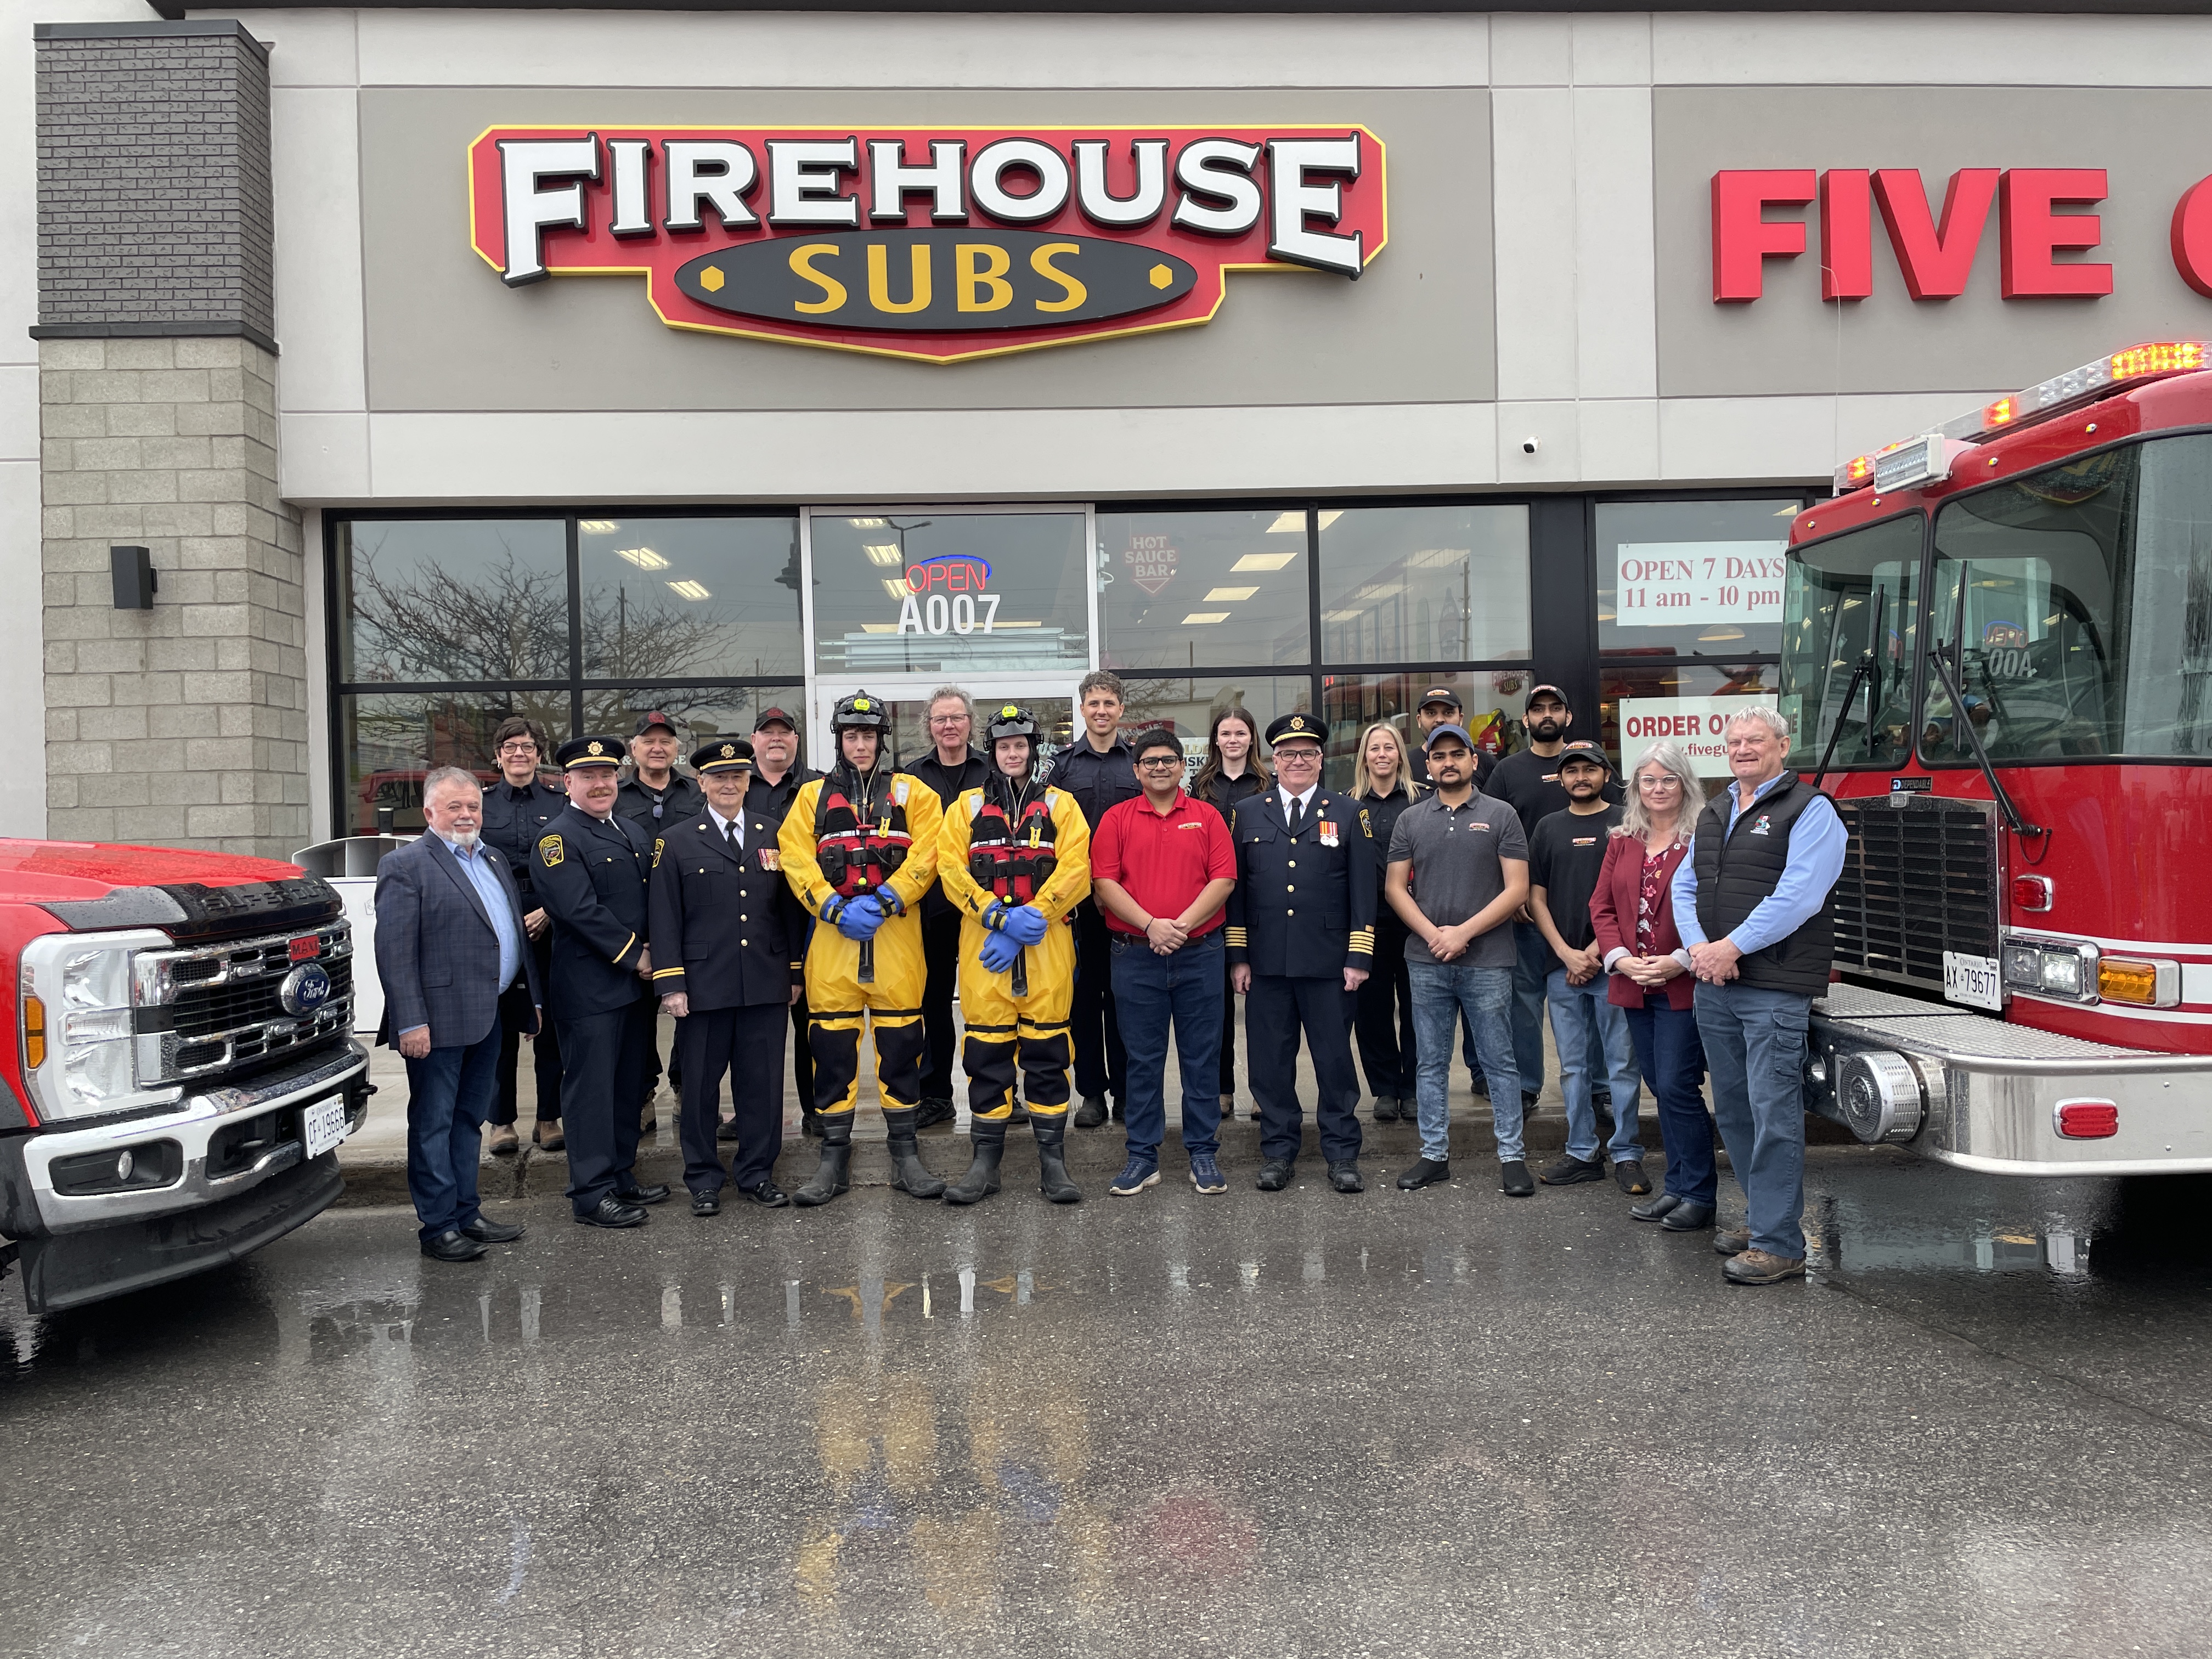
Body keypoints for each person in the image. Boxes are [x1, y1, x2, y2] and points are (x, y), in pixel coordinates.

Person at [1671, 706, 1848, 1285]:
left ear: (1782, 745)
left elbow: (1800, 896)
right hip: (1716, 983)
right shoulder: (1718, 810)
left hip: (1772, 985)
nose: (1743, 748)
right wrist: (1702, 950)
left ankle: (1780, 1244)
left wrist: (1733, 948)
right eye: (1734, 741)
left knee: (1775, 1113)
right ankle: (1764, 1216)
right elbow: (1685, 886)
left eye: (1755, 740)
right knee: (1738, 1108)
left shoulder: (1812, 810)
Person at [777, 691, 946, 1206]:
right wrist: (832, 906)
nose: (860, 744)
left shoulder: (913, 792)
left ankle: (905, 1155)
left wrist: (891, 897)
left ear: (881, 739)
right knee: (830, 1052)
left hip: (896, 939)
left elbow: (930, 850)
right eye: (851, 735)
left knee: (900, 1051)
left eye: (868, 735)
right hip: (833, 942)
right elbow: (795, 857)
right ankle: (834, 1158)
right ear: (838, 739)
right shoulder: (810, 798)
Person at [374, 767, 542, 1262]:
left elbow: (509, 933)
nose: (467, 814)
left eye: (473, 806)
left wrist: (528, 998)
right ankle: (438, 1227)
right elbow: (395, 952)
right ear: (430, 813)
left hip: (489, 1015)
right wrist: (410, 1021)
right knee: (433, 1123)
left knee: (470, 1120)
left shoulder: (490, 857)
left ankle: (467, 1212)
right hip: (436, 1022)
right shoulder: (406, 866)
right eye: (455, 807)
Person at [934, 703, 1094, 1205]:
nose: (1012, 754)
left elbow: (1077, 868)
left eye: (1021, 745)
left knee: (1048, 1054)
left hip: (1047, 948)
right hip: (986, 952)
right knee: (986, 1055)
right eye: (1004, 746)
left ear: (1033, 749)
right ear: (993, 751)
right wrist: (998, 919)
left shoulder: (1063, 806)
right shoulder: (964, 809)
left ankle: (1053, 1162)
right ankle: (985, 1162)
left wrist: (1037, 915)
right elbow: (950, 870)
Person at [647, 738, 804, 1217]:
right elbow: (665, 917)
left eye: (737, 776)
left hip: (764, 979)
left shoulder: (774, 834)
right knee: (699, 1089)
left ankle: (758, 1173)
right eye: (718, 777)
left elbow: (790, 912)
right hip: (703, 985)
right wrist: (671, 984)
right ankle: (703, 1179)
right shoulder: (674, 841)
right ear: (701, 783)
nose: (729, 784)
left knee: (762, 1084)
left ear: (749, 780)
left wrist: (794, 971)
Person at [1226, 712, 1375, 1193]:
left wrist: (1359, 957)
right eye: (1288, 753)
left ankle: (1341, 1154)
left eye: (1308, 753)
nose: (1298, 761)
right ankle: (1278, 1152)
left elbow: (1363, 892)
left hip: (1330, 962)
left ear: (1321, 759)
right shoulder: (1248, 813)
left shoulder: (1349, 812)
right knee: (1270, 1063)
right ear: (1273, 760)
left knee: (1334, 1062)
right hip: (1266, 962)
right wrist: (1239, 956)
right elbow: (1238, 894)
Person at [1090, 727, 1237, 1198]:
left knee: (1201, 1057)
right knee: (1142, 1059)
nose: (1159, 767)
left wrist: (1181, 926)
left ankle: (1203, 1154)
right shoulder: (1115, 819)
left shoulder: (1208, 816)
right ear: (1136, 771)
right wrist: (1153, 924)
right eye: (1149, 761)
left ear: (1182, 767)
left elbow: (1224, 880)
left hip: (1200, 954)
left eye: (1168, 760)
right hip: (1135, 957)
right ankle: (1142, 1157)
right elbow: (1104, 884)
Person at [1386, 723, 1532, 1195]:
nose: (1448, 762)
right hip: (1426, 960)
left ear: (1473, 760)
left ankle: (1512, 1157)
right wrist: (1435, 936)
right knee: (1429, 1063)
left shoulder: (1502, 814)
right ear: (1427, 765)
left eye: (1457, 754)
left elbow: (1517, 890)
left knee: (1499, 1062)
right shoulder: (1411, 819)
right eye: (1439, 755)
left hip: (1488, 961)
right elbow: (1393, 887)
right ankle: (1434, 1155)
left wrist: (1463, 933)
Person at [533, 736, 670, 1229]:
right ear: (567, 783)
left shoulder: (632, 832)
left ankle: (619, 1175)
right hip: (591, 987)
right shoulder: (558, 838)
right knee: (590, 1091)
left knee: (628, 1085)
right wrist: (637, 955)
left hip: (635, 989)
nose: (599, 784)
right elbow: (577, 910)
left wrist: (661, 955)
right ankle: (591, 1193)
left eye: (607, 775)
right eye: (588, 776)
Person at [1591, 741, 1713, 1232]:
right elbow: (1601, 906)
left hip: (1683, 984)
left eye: (1668, 779)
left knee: (1679, 1086)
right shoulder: (1622, 839)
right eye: (1648, 780)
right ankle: (1678, 1187)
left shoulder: (1706, 837)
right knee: (1659, 1086)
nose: (1658, 788)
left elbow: (1718, 908)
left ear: (1685, 783)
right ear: (1636, 787)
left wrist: (1681, 960)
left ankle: (1699, 1195)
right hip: (1635, 984)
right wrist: (1620, 959)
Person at [1486, 684, 1621, 1114]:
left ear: (1568, 716)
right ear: (1525, 720)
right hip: (1526, 911)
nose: (1547, 715)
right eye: (1537, 709)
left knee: (1598, 998)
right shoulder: (1507, 771)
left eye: (1555, 708)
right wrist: (1513, 894)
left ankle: (1599, 1086)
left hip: (1590, 914)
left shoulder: (1594, 773)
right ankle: (1527, 1085)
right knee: (1525, 1000)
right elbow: (1490, 834)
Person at [1527, 741, 1649, 1192]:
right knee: (1573, 1067)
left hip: (1614, 965)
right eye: (1571, 770)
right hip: (1562, 967)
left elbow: (1633, 896)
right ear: (1560, 778)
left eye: (1589, 770)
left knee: (1621, 1064)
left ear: (1606, 774)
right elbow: (1535, 897)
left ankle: (1627, 1153)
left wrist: (1596, 953)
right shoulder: (1547, 827)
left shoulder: (1626, 822)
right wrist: (1565, 953)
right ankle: (1581, 1151)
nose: (1581, 777)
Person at [1041, 670, 1140, 1128]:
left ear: (1121, 710)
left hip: (1127, 902)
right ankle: (1092, 1095)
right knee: (1083, 1000)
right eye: (1094, 703)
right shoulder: (1061, 769)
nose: (1102, 711)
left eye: (1110, 704)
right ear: (1082, 709)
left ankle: (1125, 1092)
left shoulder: (1138, 763)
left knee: (1125, 999)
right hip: (1077, 907)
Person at [477, 715, 566, 1155]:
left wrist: (550, 910)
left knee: (549, 1023)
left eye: (527, 747)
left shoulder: (560, 800)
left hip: (550, 923)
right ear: (498, 756)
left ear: (538, 753)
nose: (519, 754)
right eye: (510, 747)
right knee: (501, 1025)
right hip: (497, 928)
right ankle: (501, 1121)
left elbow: (570, 864)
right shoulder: (480, 804)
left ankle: (549, 1117)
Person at [615, 710, 706, 1131]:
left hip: (689, 920)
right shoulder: (615, 796)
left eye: (666, 741)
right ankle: (643, 1094)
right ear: (633, 749)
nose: (657, 748)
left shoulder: (695, 793)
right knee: (637, 1020)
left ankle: (686, 1088)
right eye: (648, 741)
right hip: (632, 922)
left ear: (676, 749)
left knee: (689, 1011)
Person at [909, 686, 989, 1132]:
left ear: (969, 723)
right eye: (941, 719)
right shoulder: (913, 778)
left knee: (991, 1003)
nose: (949, 726)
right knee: (933, 1002)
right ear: (930, 726)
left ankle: (999, 1093)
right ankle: (937, 1094)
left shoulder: (992, 770)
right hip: (933, 907)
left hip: (986, 907)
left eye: (957, 717)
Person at [744, 706, 822, 1138]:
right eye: (767, 732)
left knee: (811, 1024)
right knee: (756, 1029)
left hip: (807, 917)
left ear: (797, 740)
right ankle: (755, 1115)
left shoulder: (820, 787)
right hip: (753, 920)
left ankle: (816, 1109)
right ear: (754, 740)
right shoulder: (737, 784)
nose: (777, 738)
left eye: (785, 732)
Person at [1191, 706, 1269, 1119]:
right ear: (1216, 740)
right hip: (1211, 901)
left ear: (1252, 738)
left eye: (1241, 732)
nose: (1233, 739)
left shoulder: (1269, 784)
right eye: (1226, 733)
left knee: (1262, 1005)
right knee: (1216, 1006)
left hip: (1261, 899)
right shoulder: (1200, 787)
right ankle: (1222, 1088)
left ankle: (1263, 1089)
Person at [1348, 721, 1424, 1122]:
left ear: (1400, 755)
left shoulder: (1421, 802)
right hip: (1367, 920)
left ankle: (1412, 1087)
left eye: (1389, 747)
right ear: (1364, 756)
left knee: (1418, 1008)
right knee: (1372, 1009)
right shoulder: (1347, 805)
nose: (1381, 754)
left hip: (1415, 920)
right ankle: (1384, 1090)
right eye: (1374, 748)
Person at [1406, 685, 1496, 792]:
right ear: (1419, 720)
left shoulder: (1486, 762)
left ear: (1461, 719)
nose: (1439, 719)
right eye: (1431, 713)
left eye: (1448, 713)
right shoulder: (1406, 764)